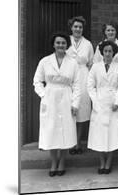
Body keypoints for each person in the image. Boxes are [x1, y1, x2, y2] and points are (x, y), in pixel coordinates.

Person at [33, 32, 81, 177]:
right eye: (58, 43)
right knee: (51, 130)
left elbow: (77, 85)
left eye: (63, 43)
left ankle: (62, 162)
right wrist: (44, 95)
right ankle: (53, 162)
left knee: (65, 131)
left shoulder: (73, 63)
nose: (61, 45)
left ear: (67, 45)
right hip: (50, 98)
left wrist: (75, 104)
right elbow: (37, 81)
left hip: (66, 97)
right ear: (53, 44)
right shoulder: (45, 61)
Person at [87, 40, 118, 174]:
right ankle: (101, 162)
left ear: (114, 53)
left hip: (113, 104)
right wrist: (95, 101)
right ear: (102, 52)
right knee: (99, 134)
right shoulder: (95, 67)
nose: (108, 54)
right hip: (99, 103)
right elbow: (90, 86)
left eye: (110, 51)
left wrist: (117, 102)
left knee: (112, 134)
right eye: (106, 51)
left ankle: (108, 163)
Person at [66, 16, 94, 155]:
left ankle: (77, 143)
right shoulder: (66, 41)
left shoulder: (88, 44)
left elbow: (90, 63)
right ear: (71, 27)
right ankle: (69, 142)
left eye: (80, 27)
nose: (78, 29)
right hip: (68, 76)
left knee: (82, 110)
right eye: (75, 26)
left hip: (83, 76)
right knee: (69, 109)